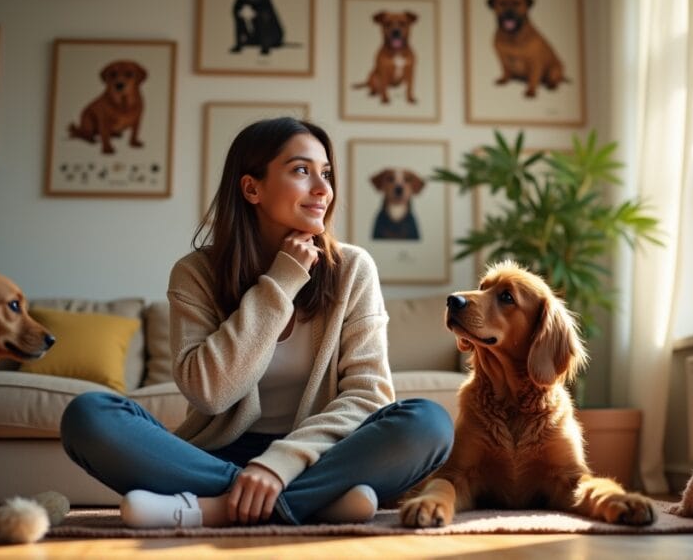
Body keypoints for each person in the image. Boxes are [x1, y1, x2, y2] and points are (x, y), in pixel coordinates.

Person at [60, 117, 454, 528]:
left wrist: (279, 463)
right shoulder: (196, 273)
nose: (323, 189)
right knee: (89, 415)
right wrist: (280, 284)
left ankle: (211, 508)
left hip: (320, 452)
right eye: (302, 171)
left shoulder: (352, 268)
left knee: (429, 423)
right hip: (218, 455)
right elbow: (208, 392)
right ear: (252, 188)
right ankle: (309, 503)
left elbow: (367, 396)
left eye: (326, 173)